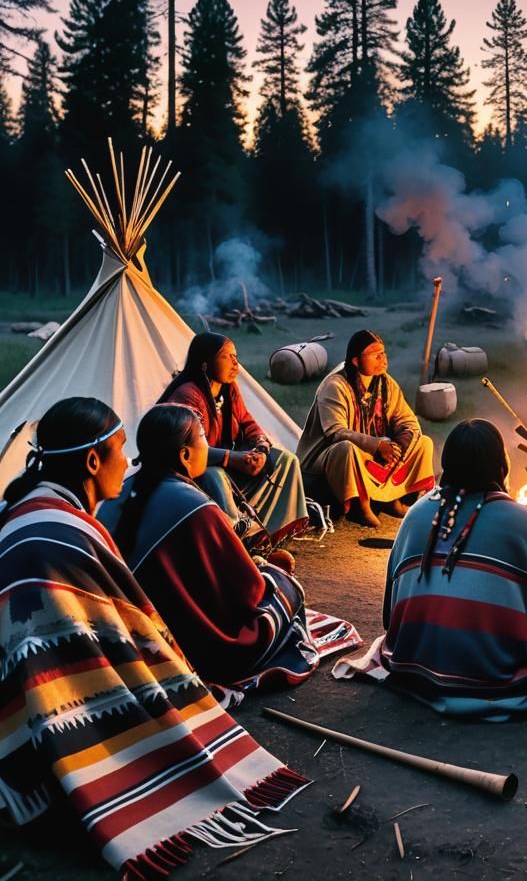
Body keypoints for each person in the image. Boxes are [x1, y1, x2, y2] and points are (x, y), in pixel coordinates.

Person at [0, 398, 308, 876]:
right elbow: (134, 623)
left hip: (13, 707)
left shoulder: (26, 508)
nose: (127, 462)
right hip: (43, 709)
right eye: (120, 450)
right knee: (278, 595)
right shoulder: (72, 529)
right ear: (92, 461)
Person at [338, 419, 527, 719]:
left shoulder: (417, 514)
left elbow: (391, 617)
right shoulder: (524, 522)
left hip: (415, 669)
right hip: (501, 685)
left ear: (446, 464)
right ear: (501, 466)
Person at [100, 404, 319, 693]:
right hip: (195, 650)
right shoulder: (196, 507)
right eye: (203, 436)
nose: (208, 444)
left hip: (127, 640)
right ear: (185, 454)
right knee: (284, 588)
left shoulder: (114, 500)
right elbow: (247, 590)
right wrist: (265, 571)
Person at [159, 332, 307, 543]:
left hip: (226, 462)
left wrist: (261, 450)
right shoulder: (188, 395)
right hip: (190, 471)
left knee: (286, 461)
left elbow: (247, 422)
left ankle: (267, 536)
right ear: (205, 363)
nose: (236, 363)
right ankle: (234, 536)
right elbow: (190, 449)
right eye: (226, 357)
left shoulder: (229, 389)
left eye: (235, 356)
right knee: (214, 474)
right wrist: (233, 458)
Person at [297, 329, 435, 527]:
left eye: (384, 353)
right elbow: (335, 432)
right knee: (347, 448)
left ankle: (392, 498)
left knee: (423, 443)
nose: (383, 359)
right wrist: (377, 446)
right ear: (356, 361)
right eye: (376, 355)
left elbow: (408, 421)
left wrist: (398, 447)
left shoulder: (387, 384)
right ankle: (359, 506)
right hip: (328, 457)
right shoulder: (335, 386)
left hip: (376, 452)